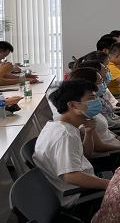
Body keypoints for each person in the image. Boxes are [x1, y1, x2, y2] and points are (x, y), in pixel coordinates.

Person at [33, 79, 110, 209]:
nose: (96, 101)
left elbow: (85, 154)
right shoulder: (65, 135)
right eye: (91, 98)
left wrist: (89, 133)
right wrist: (112, 184)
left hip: (82, 184)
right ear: (73, 105)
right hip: (78, 196)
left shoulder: (61, 126)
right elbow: (71, 177)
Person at [67, 68, 120, 149]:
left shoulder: (90, 110)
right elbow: (99, 147)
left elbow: (106, 131)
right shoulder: (83, 117)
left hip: (118, 144)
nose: (104, 82)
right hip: (113, 152)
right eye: (101, 81)